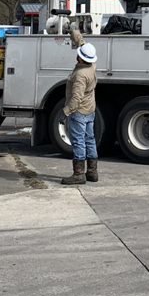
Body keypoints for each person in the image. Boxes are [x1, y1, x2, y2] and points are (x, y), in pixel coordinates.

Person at [60, 33, 99, 185]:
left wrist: (65, 112)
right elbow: (82, 43)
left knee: (78, 142)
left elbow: (76, 99)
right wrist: (73, 31)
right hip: (90, 110)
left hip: (79, 112)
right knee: (90, 140)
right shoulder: (92, 66)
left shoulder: (80, 75)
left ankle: (78, 174)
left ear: (81, 59)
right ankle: (92, 172)